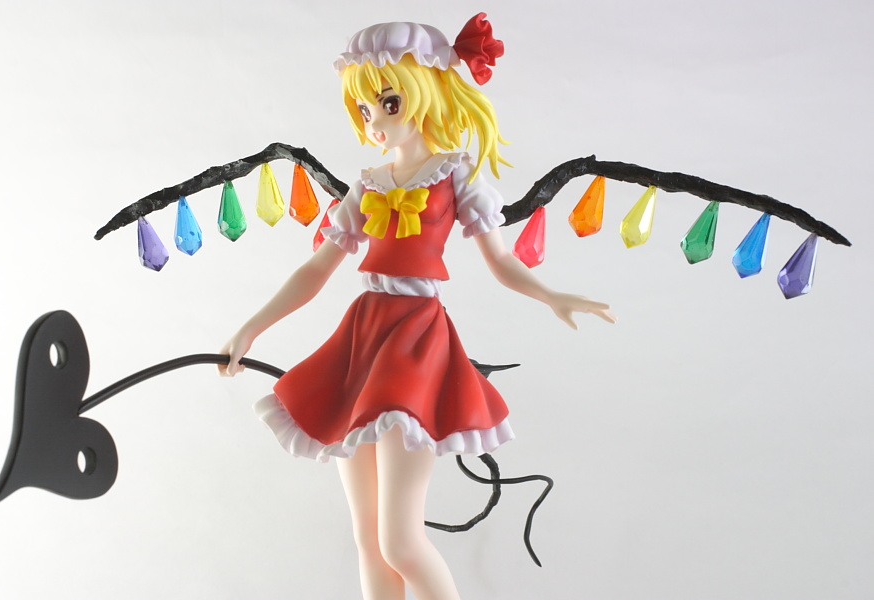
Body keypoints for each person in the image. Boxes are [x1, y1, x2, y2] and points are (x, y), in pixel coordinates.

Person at [219, 14, 615, 600]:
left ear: (426, 94)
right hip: (360, 340)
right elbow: (316, 269)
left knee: (400, 541)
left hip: (414, 344)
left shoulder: (455, 176)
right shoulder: (369, 184)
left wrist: (552, 295)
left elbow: (500, 260)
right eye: (364, 110)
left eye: (388, 103)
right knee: (367, 537)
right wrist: (251, 328)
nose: (374, 122)